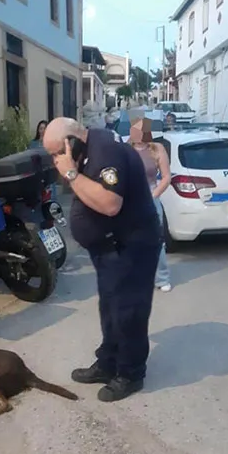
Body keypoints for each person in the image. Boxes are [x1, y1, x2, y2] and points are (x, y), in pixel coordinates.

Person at [42, 117, 162, 402]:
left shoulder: (106, 152)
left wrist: (71, 174)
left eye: (57, 152)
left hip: (131, 246)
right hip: (109, 247)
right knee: (110, 307)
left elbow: (110, 204)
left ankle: (131, 373)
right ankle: (108, 362)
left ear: (71, 142)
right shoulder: (87, 151)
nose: (56, 160)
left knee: (128, 311)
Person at [128, 117, 172, 291]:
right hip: (129, 201)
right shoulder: (125, 149)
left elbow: (166, 177)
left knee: (155, 241)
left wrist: (154, 195)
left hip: (150, 198)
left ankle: (162, 278)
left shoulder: (157, 149)